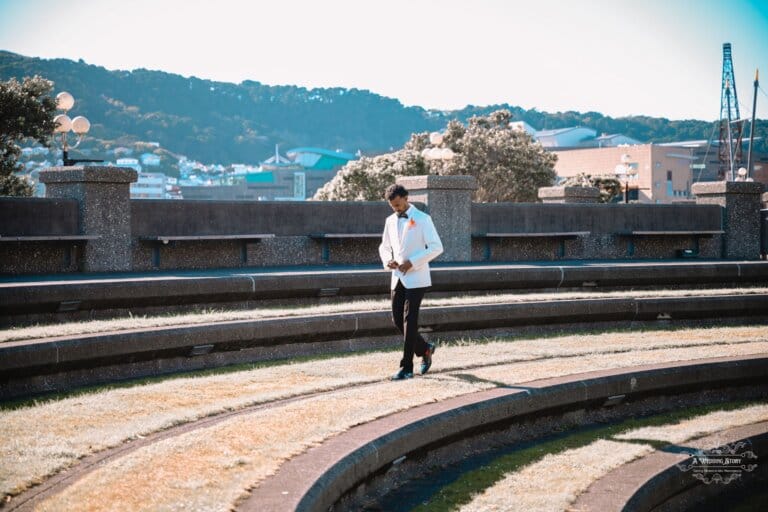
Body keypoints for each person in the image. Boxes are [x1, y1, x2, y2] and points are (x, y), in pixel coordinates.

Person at [378, 184, 443, 380]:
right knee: (398, 320)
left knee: (409, 321)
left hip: (417, 277)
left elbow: (436, 247)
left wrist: (411, 263)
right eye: (392, 206)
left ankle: (406, 368)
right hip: (397, 277)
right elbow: (384, 246)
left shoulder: (423, 219)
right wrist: (387, 260)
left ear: (406, 198)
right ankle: (424, 349)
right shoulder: (390, 220)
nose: (396, 209)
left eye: (398, 204)